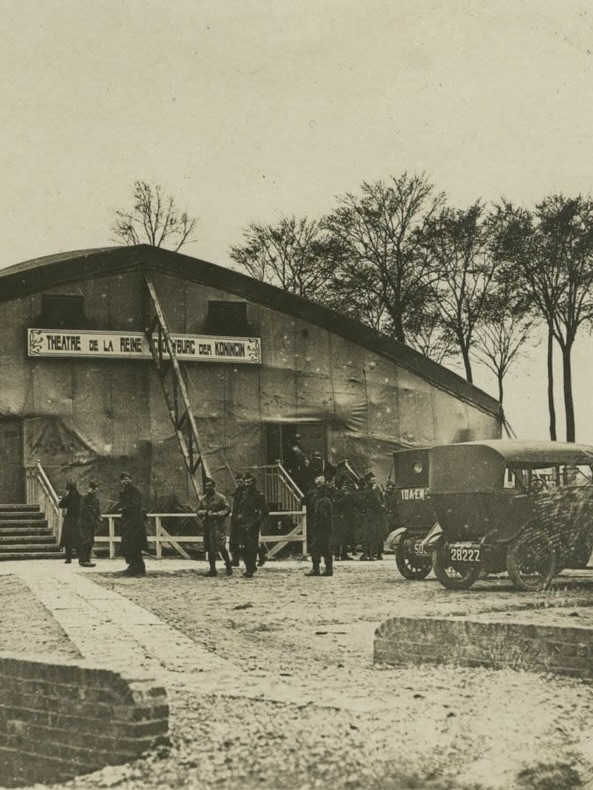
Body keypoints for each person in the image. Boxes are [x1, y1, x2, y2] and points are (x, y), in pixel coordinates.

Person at [234, 472, 268, 578]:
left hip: (253, 524)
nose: (248, 484)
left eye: (250, 482)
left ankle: (250, 568)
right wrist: (238, 517)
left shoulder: (259, 495)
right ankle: (250, 565)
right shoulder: (242, 494)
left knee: (251, 547)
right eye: (246, 482)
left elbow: (265, 512)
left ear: (253, 482)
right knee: (241, 547)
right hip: (242, 523)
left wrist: (256, 522)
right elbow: (238, 507)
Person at [116, 472, 148, 577]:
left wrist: (124, 508)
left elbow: (136, 505)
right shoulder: (124, 492)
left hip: (135, 522)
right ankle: (132, 566)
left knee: (135, 545)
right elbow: (122, 503)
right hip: (127, 522)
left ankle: (140, 569)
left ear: (130, 480)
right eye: (123, 480)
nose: (125, 481)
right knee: (126, 546)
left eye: (127, 479)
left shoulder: (135, 491)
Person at [198, 478, 232, 577]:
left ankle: (228, 564)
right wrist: (203, 512)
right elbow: (198, 510)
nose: (207, 488)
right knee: (209, 548)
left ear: (214, 486)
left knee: (221, 547)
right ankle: (212, 570)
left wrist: (217, 514)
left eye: (209, 486)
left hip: (218, 527)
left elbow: (227, 509)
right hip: (208, 527)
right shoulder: (203, 499)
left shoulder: (221, 498)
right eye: (206, 486)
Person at [306, 475, 334, 576]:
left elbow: (322, 517)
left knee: (320, 548)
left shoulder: (323, 502)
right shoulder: (323, 501)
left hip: (322, 529)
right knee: (322, 549)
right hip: (323, 529)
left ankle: (321, 569)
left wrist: (316, 525)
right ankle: (323, 569)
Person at [78, 481, 102, 568]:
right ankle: (82, 560)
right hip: (85, 523)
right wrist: (91, 518)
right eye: (92, 489)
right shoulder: (84, 498)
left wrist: (99, 517)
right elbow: (84, 510)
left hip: (92, 524)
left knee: (91, 541)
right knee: (85, 541)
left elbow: (97, 510)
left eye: (95, 489)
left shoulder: (96, 500)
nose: (94, 491)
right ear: (89, 489)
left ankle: (87, 559)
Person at [58, 482, 82, 564]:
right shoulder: (79, 497)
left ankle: (68, 558)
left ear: (68, 489)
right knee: (78, 539)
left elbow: (61, 505)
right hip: (78, 520)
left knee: (68, 540)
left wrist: (66, 496)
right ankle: (80, 558)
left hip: (69, 520)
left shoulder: (68, 497)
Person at [229, 473, 245, 567]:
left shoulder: (247, 493)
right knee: (234, 540)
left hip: (244, 521)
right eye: (237, 482)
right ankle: (235, 560)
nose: (239, 483)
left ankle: (260, 557)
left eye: (240, 482)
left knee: (246, 541)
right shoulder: (237, 492)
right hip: (235, 519)